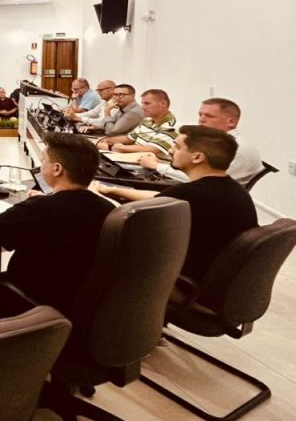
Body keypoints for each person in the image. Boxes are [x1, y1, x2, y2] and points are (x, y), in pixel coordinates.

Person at [0, 133, 112, 314]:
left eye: (43, 161)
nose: (41, 166)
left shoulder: (40, 209)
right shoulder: (108, 208)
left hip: (27, 300)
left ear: (57, 169)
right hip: (74, 300)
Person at [98, 125, 258, 281]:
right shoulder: (233, 189)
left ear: (197, 157)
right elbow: (158, 197)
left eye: (177, 147)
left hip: (183, 278)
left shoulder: (192, 192)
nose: (170, 151)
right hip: (221, 277)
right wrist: (113, 190)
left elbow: (144, 212)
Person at [136, 98, 263, 185]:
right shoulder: (216, 142)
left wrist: (156, 166)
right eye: (200, 114)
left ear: (231, 122)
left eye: (209, 116)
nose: (201, 120)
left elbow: (201, 178)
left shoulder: (235, 148)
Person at [97, 88, 177, 159]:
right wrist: (105, 140)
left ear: (163, 104)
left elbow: (150, 149)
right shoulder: (148, 120)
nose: (143, 107)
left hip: (146, 165)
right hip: (132, 157)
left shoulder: (172, 126)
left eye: (147, 103)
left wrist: (111, 147)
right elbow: (129, 138)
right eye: (142, 103)